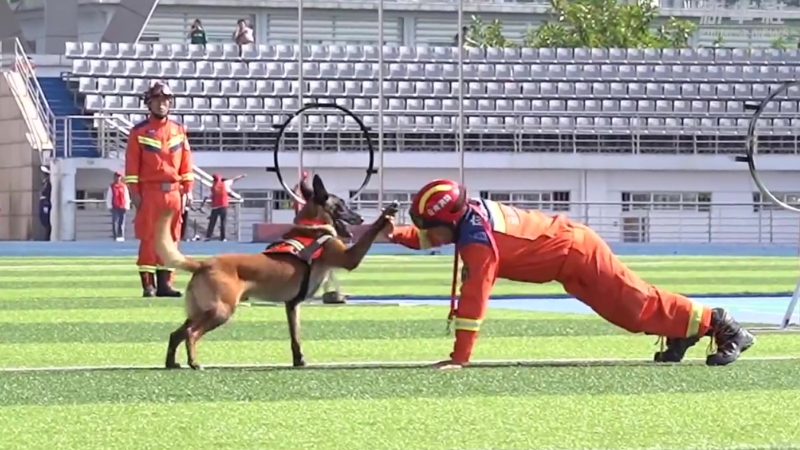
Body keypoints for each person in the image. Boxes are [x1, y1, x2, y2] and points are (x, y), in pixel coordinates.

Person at [383, 179, 755, 370]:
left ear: (449, 221)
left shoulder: (477, 242)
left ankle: (721, 324)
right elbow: (431, 237)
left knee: (635, 305)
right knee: (629, 312)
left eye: (429, 225)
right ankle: (682, 329)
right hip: (566, 258)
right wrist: (394, 234)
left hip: (576, 253)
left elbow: (474, 300)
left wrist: (459, 357)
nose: (427, 232)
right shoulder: (466, 221)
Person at [124, 81, 194, 298]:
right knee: (149, 237)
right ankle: (148, 285)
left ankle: (166, 284)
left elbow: (186, 163)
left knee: (171, 238)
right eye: (157, 100)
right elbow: (132, 166)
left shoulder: (179, 130)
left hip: (174, 193)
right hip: (150, 192)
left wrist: (187, 189)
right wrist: (135, 193)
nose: (162, 104)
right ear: (149, 104)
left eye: (165, 100)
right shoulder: (139, 132)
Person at [203, 173, 245, 241]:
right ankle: (223, 237)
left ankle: (208, 236)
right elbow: (234, 180)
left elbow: (207, 196)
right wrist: (241, 176)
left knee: (212, 222)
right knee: (223, 222)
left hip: (215, 207)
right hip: (223, 206)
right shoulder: (225, 184)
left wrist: (206, 203)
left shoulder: (213, 186)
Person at [105, 171, 131, 242]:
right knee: (115, 222)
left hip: (122, 206)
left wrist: (127, 206)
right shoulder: (111, 187)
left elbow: (126, 196)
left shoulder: (124, 186)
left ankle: (121, 235)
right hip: (115, 206)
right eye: (116, 176)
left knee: (122, 222)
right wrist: (109, 206)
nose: (117, 178)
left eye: (119, 176)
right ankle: (115, 236)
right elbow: (109, 197)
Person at [39, 166, 51, 241]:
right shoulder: (44, 183)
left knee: (46, 221)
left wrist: (46, 205)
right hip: (42, 202)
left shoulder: (48, 184)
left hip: (45, 203)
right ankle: (46, 236)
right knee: (42, 219)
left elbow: (47, 194)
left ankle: (47, 237)